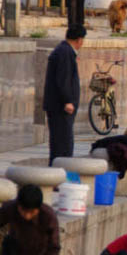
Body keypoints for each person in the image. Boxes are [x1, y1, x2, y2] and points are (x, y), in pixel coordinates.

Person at [43, 25, 85, 166]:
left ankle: (58, 178)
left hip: (58, 107)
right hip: (60, 108)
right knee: (63, 147)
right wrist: (68, 101)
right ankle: (58, 179)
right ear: (79, 40)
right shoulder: (65, 53)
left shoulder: (63, 50)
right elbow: (63, 79)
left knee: (60, 145)